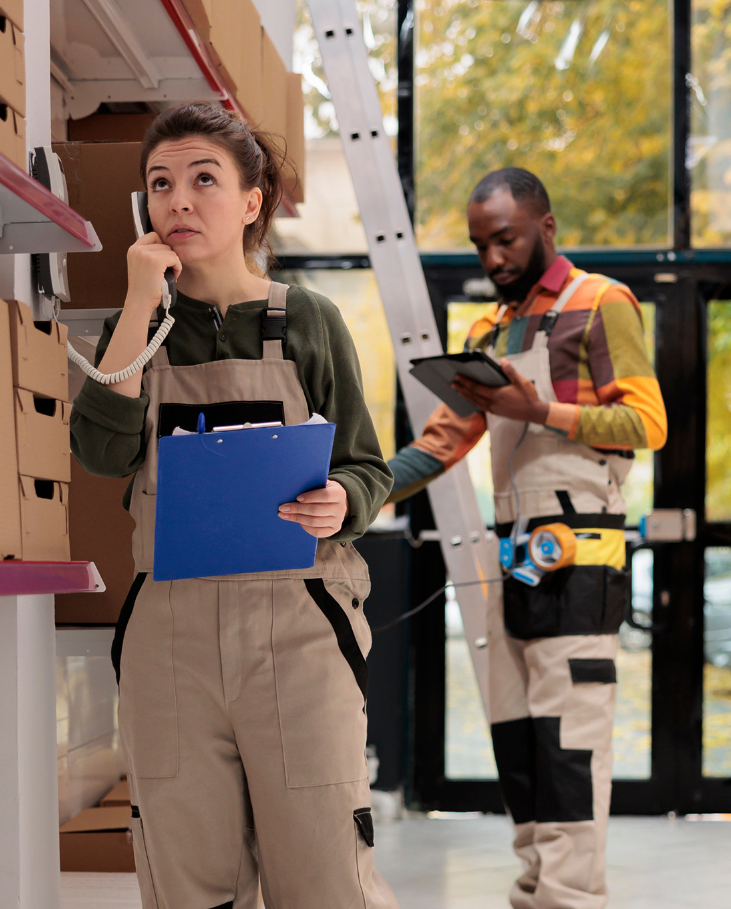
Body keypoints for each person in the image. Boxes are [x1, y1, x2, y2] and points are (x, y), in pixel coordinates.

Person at [69, 103, 397, 909]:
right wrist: (140, 303)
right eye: (159, 184)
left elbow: (367, 465)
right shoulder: (135, 327)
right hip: (169, 634)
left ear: (252, 201)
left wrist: (340, 499)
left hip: (296, 623)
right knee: (186, 871)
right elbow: (100, 452)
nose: (177, 200)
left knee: (324, 865)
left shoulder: (308, 320)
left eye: (203, 179)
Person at [388, 168, 667, 909]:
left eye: (505, 238)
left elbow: (647, 422)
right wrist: (356, 490)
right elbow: (442, 441)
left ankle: (571, 899)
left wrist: (537, 408)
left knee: (569, 743)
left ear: (546, 225)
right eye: (480, 244)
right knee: (519, 740)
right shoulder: (489, 332)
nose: (492, 258)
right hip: (509, 552)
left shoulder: (601, 304)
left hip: (579, 551)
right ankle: (535, 890)